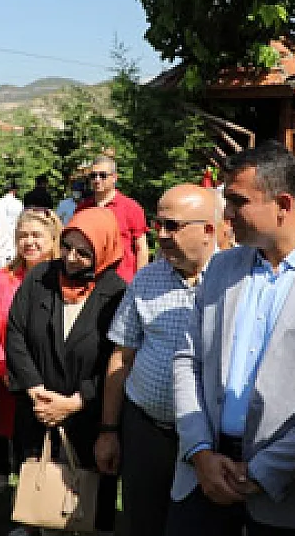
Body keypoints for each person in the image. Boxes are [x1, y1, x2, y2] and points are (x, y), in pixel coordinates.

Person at [168, 142, 295, 536]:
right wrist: (199, 451)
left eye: (237, 201)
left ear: (283, 204)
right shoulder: (220, 268)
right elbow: (188, 359)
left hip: (284, 494)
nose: (227, 214)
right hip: (204, 476)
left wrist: (263, 472)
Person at [95, 184, 218, 536]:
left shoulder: (233, 281)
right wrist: (108, 430)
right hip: (146, 430)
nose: (160, 235)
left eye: (171, 226)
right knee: (141, 521)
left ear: (208, 230)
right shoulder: (148, 279)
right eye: (157, 224)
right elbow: (122, 355)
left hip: (207, 439)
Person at [6, 208, 126, 535]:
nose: (71, 258)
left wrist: (76, 402)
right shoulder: (40, 278)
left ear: (103, 250)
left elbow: (117, 359)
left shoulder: (118, 293)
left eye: (83, 252)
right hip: (38, 409)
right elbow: (15, 333)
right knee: (41, 490)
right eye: (67, 247)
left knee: (86, 502)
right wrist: (35, 390)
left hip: (88, 416)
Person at [0, 207, 62, 495]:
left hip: (51, 381)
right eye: (23, 235)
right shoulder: (4, 277)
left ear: (53, 239)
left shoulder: (63, 278)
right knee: (21, 445)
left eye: (36, 235)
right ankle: (27, 512)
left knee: (51, 450)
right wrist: (2, 368)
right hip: (10, 379)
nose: (29, 242)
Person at [77, 155, 149, 283]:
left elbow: (141, 248)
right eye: (93, 176)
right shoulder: (82, 209)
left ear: (114, 178)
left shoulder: (131, 207)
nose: (97, 180)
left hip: (122, 281)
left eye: (103, 175)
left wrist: (140, 282)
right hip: (90, 280)